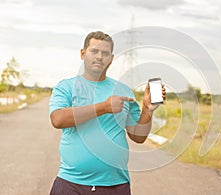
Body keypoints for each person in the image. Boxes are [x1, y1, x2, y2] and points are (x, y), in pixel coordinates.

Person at [49, 31, 166, 195]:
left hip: (115, 185)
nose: (99, 57)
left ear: (111, 58)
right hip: (71, 183)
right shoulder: (66, 87)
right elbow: (58, 119)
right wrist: (104, 107)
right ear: (83, 54)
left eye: (105, 53)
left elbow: (138, 137)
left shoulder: (124, 92)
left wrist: (147, 109)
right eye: (94, 51)